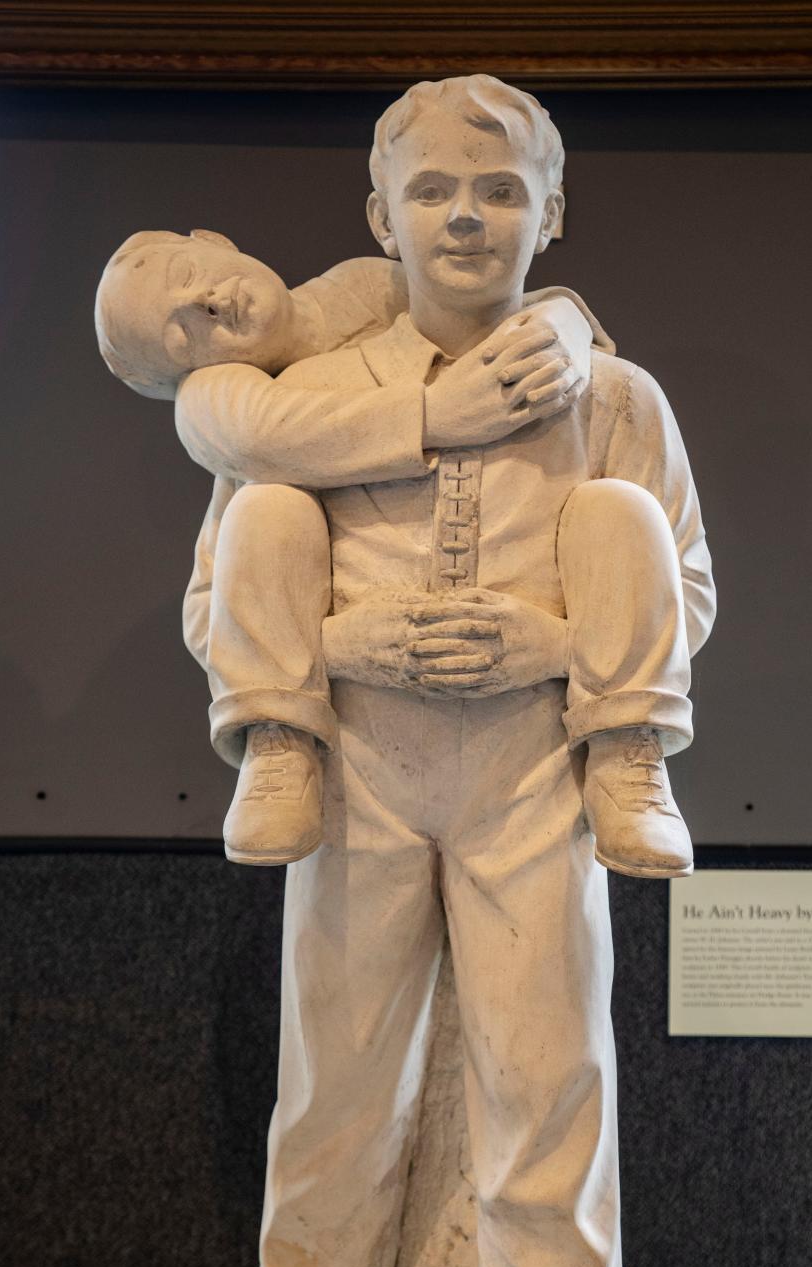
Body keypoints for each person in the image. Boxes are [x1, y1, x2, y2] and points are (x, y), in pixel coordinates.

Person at [166, 75, 717, 1267]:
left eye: (497, 190)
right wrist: (338, 656)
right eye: (431, 191)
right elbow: (220, 594)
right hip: (352, 773)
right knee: (335, 1087)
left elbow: (686, 589)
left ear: (551, 212)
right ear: (377, 216)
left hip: (538, 772)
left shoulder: (614, 399)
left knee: (551, 1090)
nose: (465, 217)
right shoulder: (316, 400)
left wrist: (555, 653)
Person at [96, 232, 600, 858]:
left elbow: (493, 308)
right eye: (181, 335)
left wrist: (565, 323)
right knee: (269, 506)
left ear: (216, 241)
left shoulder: (369, 288)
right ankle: (278, 741)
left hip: (524, 756)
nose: (208, 302)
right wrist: (337, 645)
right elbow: (214, 615)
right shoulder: (224, 405)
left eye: (191, 270)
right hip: (359, 770)